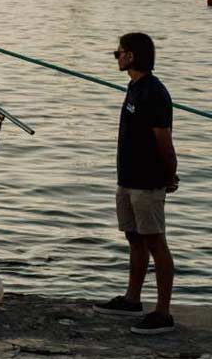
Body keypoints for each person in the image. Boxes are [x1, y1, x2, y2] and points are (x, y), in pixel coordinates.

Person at [94, 33, 178, 335]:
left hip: (146, 182)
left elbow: (164, 141)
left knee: (156, 242)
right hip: (127, 179)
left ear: (132, 55)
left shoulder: (153, 93)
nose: (116, 56)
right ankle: (132, 299)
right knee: (134, 238)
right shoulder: (134, 87)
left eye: (119, 52)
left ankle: (163, 313)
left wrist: (170, 175)